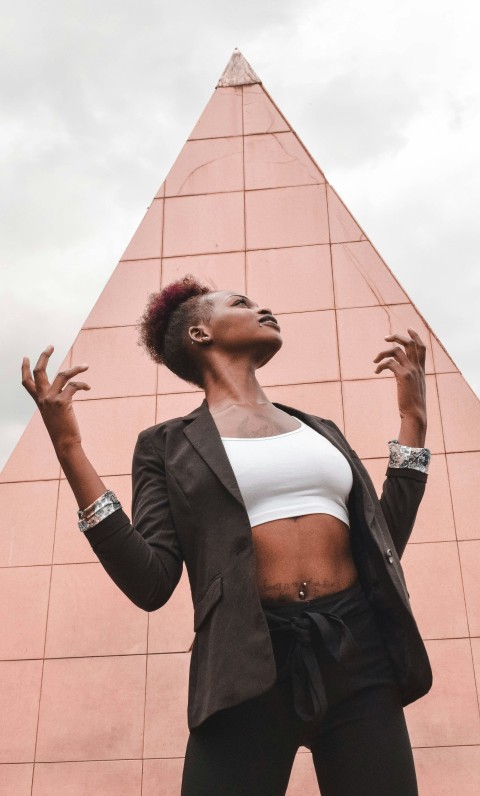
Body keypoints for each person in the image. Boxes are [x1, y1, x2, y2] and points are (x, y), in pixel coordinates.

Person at [22, 273, 432, 796]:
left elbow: (383, 547)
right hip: (244, 664)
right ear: (200, 334)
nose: (263, 308)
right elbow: (150, 581)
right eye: (242, 303)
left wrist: (413, 418)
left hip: (358, 652)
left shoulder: (322, 431)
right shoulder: (166, 446)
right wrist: (69, 450)